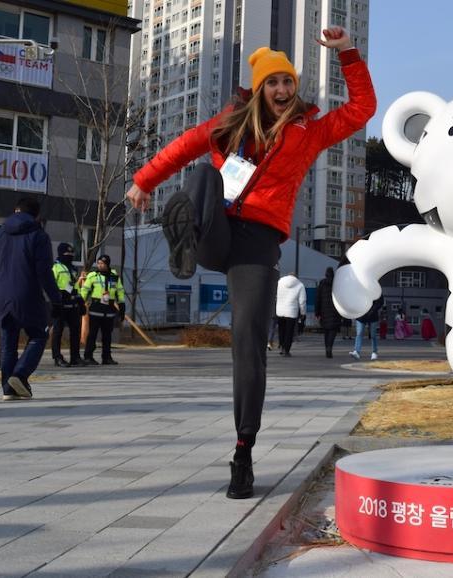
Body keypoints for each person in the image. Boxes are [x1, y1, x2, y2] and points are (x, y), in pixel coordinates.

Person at [125, 26, 374, 500]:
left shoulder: (309, 132)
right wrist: (143, 180)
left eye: (288, 82)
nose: (282, 90)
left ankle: (243, 451)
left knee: (247, 343)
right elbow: (182, 148)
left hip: (258, 242)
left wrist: (348, 54)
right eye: (273, 83)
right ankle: (186, 238)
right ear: (260, 89)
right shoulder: (230, 124)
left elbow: (362, 110)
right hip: (217, 230)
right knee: (201, 172)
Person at [0, 197, 63, 401]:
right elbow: (44, 272)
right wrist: (56, 299)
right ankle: (19, 375)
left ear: (15, 210)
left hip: (3, 296)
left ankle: (8, 389)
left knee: (8, 339)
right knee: (38, 335)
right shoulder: (38, 235)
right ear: (36, 215)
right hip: (28, 295)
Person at [80, 255, 125, 365]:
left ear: (107, 264)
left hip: (109, 309)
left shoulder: (114, 276)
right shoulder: (92, 275)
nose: (100, 265)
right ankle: (88, 356)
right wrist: (80, 303)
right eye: (98, 263)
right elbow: (84, 291)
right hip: (96, 308)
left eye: (102, 263)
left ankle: (107, 357)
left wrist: (122, 306)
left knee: (107, 335)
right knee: (92, 334)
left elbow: (120, 292)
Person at [50, 242, 85, 367]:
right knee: (58, 331)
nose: (69, 256)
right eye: (66, 254)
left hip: (73, 304)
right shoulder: (55, 268)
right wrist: (56, 299)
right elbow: (50, 286)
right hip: (60, 304)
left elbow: (75, 285)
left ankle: (75, 357)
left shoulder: (73, 268)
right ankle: (57, 357)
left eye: (71, 254)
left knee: (75, 332)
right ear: (60, 254)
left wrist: (81, 301)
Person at [275, 272, 306, 357]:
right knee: (289, 332)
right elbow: (302, 301)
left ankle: (281, 346)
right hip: (291, 312)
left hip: (280, 311)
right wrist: (303, 313)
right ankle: (286, 350)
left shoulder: (280, 282)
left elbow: (275, 295)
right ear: (296, 277)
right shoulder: (300, 285)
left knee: (281, 330)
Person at [315, 267, 342, 358]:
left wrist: (317, 313)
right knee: (332, 331)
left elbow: (317, 299)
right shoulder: (337, 284)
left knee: (326, 331)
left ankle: (327, 347)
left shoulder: (322, 284)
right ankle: (329, 347)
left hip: (324, 311)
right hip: (335, 311)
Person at [349, 295, 383, 360]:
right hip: (361, 315)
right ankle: (356, 351)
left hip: (372, 315)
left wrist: (373, 310)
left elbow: (380, 301)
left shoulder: (375, 288)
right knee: (359, 333)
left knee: (373, 335)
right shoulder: (360, 288)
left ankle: (374, 352)